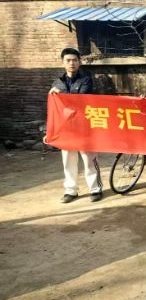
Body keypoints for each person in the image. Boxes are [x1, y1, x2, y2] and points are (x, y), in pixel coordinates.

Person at [49, 48, 103, 203]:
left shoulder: (86, 80)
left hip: (84, 126)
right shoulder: (57, 83)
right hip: (65, 128)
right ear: (63, 63)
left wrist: (60, 95)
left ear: (79, 62)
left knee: (89, 159)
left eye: (74, 60)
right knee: (68, 160)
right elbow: (54, 107)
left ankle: (95, 189)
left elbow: (80, 100)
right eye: (68, 60)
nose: (71, 63)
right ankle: (70, 190)